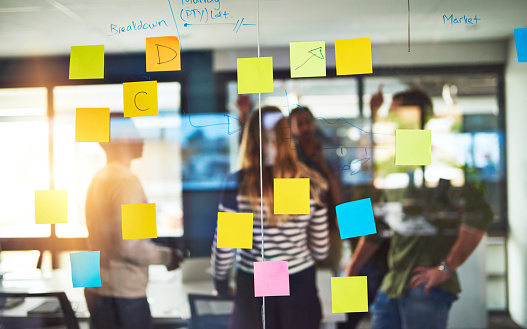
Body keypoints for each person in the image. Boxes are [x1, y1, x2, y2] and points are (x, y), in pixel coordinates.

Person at [343, 88, 493, 329]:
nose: (390, 118)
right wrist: (352, 267)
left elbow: (479, 215)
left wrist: (445, 269)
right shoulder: (395, 168)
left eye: (395, 112)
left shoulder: (440, 164)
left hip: (425, 286)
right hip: (393, 283)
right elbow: (378, 224)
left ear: (416, 118)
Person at [211, 106, 330, 329]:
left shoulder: (239, 185)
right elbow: (321, 250)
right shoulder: (310, 183)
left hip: (255, 287)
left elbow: (225, 251)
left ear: (251, 139)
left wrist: (221, 285)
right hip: (299, 286)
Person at [84, 113, 183, 329]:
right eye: (136, 132)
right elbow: (131, 247)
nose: (142, 139)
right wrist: (169, 257)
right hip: (124, 296)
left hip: (97, 289)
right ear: (122, 139)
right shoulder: (128, 183)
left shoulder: (98, 179)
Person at [289, 106, 342, 275]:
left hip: (330, 223)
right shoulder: (287, 155)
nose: (306, 127)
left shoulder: (327, 146)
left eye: (309, 122)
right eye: (300, 123)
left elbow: (338, 183)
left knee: (335, 270)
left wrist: (321, 163)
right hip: (298, 227)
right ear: (291, 127)